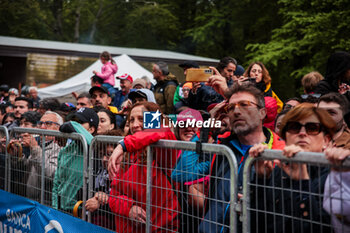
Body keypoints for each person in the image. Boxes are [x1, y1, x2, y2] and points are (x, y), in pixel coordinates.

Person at [198, 83, 285, 233]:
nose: (236, 111)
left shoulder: (279, 152)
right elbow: (181, 173)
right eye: (231, 108)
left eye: (244, 105)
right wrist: (208, 124)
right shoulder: (222, 145)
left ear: (262, 113)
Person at [249, 103, 337, 233]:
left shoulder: (336, 176)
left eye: (312, 128)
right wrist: (261, 180)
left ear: (326, 140)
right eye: (294, 127)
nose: (302, 133)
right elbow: (258, 223)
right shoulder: (279, 170)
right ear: (285, 137)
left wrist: (302, 183)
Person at [108, 102, 180, 233]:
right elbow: (113, 196)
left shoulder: (162, 150)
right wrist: (128, 208)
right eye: (131, 120)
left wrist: (124, 145)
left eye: (141, 119)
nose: (135, 125)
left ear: (154, 120)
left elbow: (162, 130)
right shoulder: (126, 157)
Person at [52, 107, 99, 214]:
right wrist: (55, 209)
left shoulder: (94, 148)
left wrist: (71, 124)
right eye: (74, 120)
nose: (75, 124)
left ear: (91, 129)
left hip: (79, 212)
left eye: (80, 122)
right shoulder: (65, 150)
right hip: (61, 210)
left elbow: (69, 125)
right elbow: (56, 184)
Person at [24, 111, 63, 204]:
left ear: (58, 128)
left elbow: (51, 174)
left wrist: (35, 148)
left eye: (48, 124)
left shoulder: (61, 148)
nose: (42, 127)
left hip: (46, 205)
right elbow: (26, 168)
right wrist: (16, 155)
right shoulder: (39, 144)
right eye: (41, 123)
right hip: (30, 201)